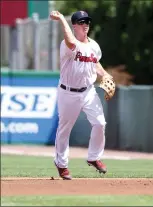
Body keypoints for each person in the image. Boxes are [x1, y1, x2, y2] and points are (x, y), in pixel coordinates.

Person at [50, 10, 112, 180]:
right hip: (68, 92)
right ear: (74, 25)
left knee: (100, 123)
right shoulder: (67, 43)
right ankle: (61, 164)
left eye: (87, 22)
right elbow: (71, 42)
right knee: (65, 129)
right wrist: (62, 18)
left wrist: (105, 75)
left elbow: (95, 63)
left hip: (88, 91)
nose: (86, 24)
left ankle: (94, 157)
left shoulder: (94, 46)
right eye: (82, 21)